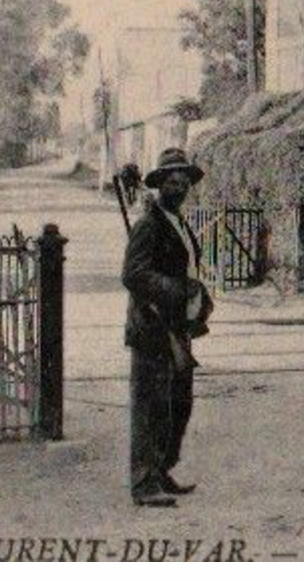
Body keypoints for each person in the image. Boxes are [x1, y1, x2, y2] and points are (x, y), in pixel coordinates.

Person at [122, 147, 210, 508]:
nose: (179, 186)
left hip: (179, 326)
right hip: (152, 326)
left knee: (178, 404)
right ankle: (144, 483)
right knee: (150, 406)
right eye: (172, 180)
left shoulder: (180, 223)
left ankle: (162, 470)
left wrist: (197, 297)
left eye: (184, 180)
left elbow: (187, 268)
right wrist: (176, 289)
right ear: (160, 185)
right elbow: (133, 275)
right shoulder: (149, 224)